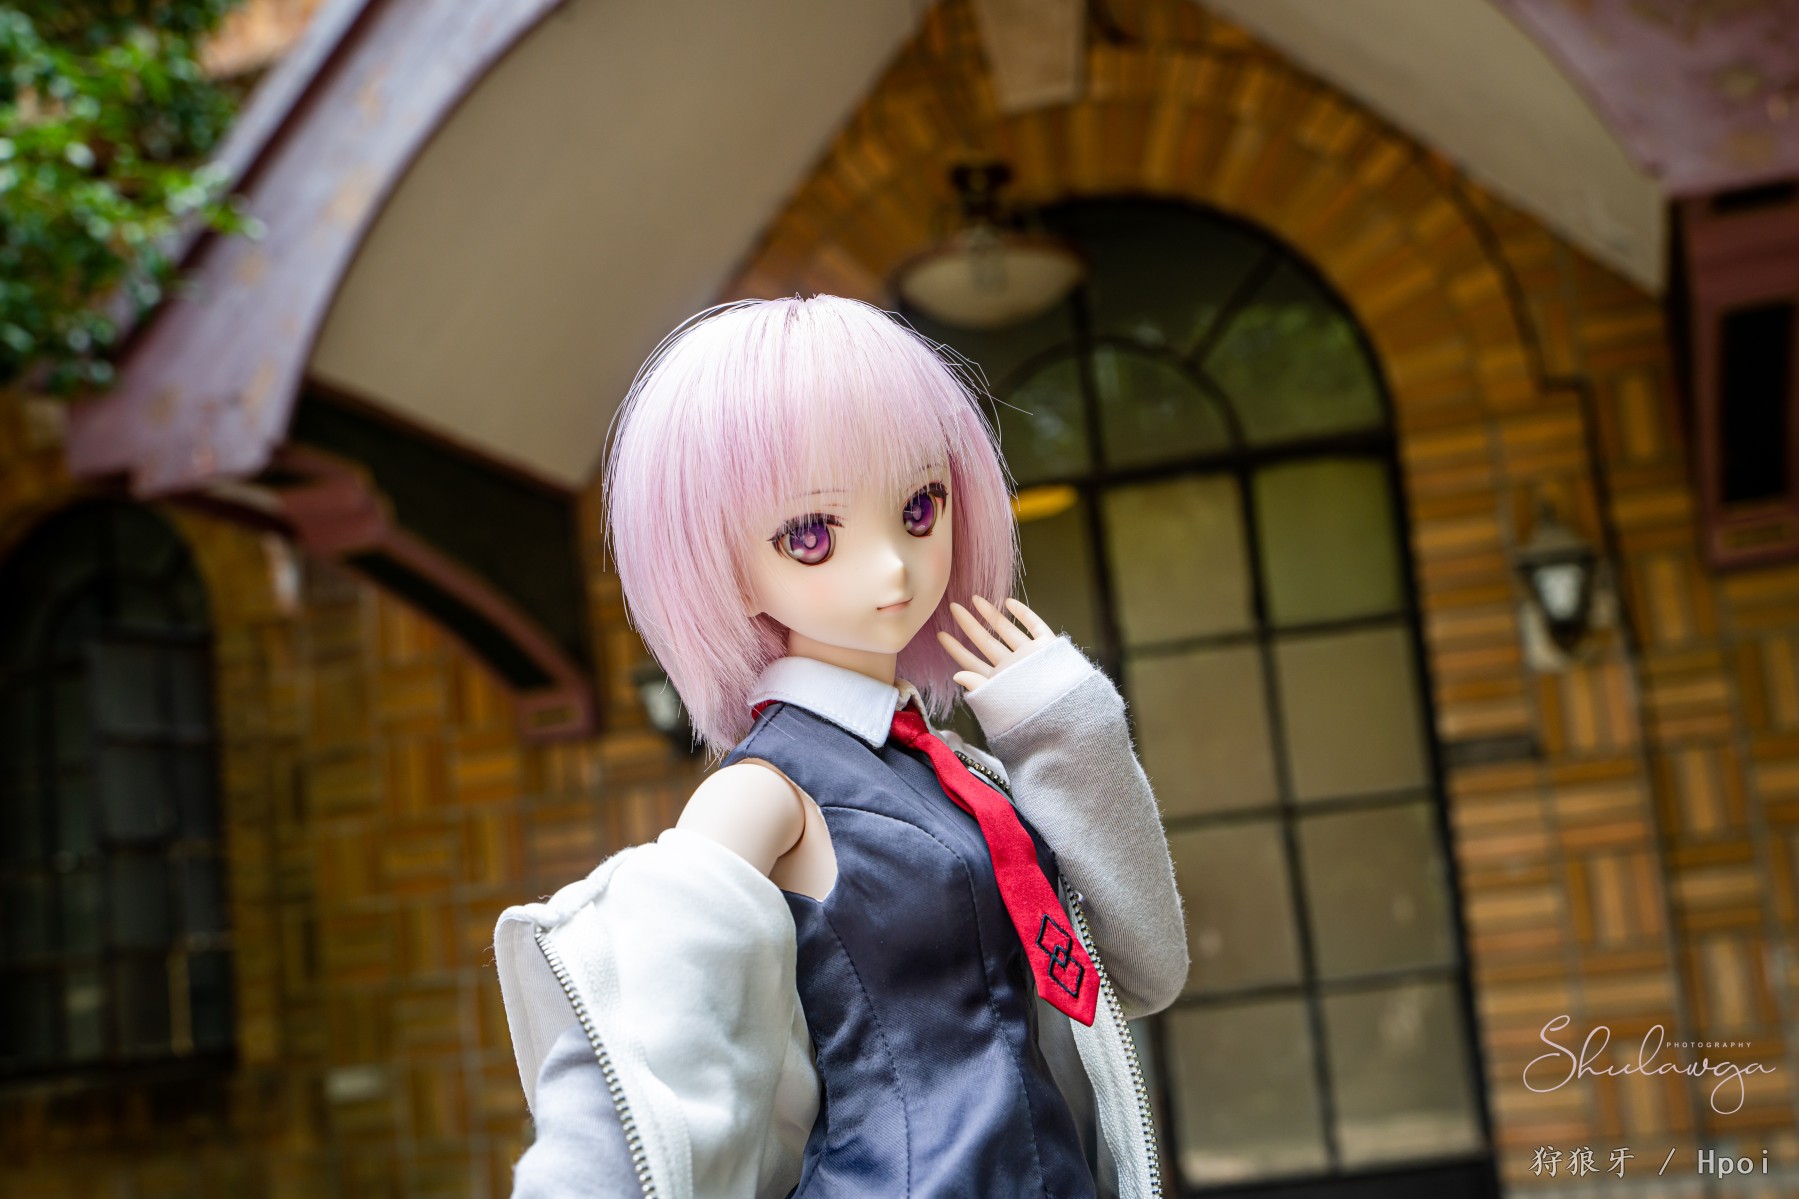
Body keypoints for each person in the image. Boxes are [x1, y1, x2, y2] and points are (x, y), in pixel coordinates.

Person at [493, 295, 1188, 1198]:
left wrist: (1067, 729)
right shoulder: (764, 792)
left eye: (919, 505)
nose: (893, 565)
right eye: (810, 534)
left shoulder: (955, 775)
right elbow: (639, 1059)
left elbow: (1142, 970)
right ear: (722, 565)